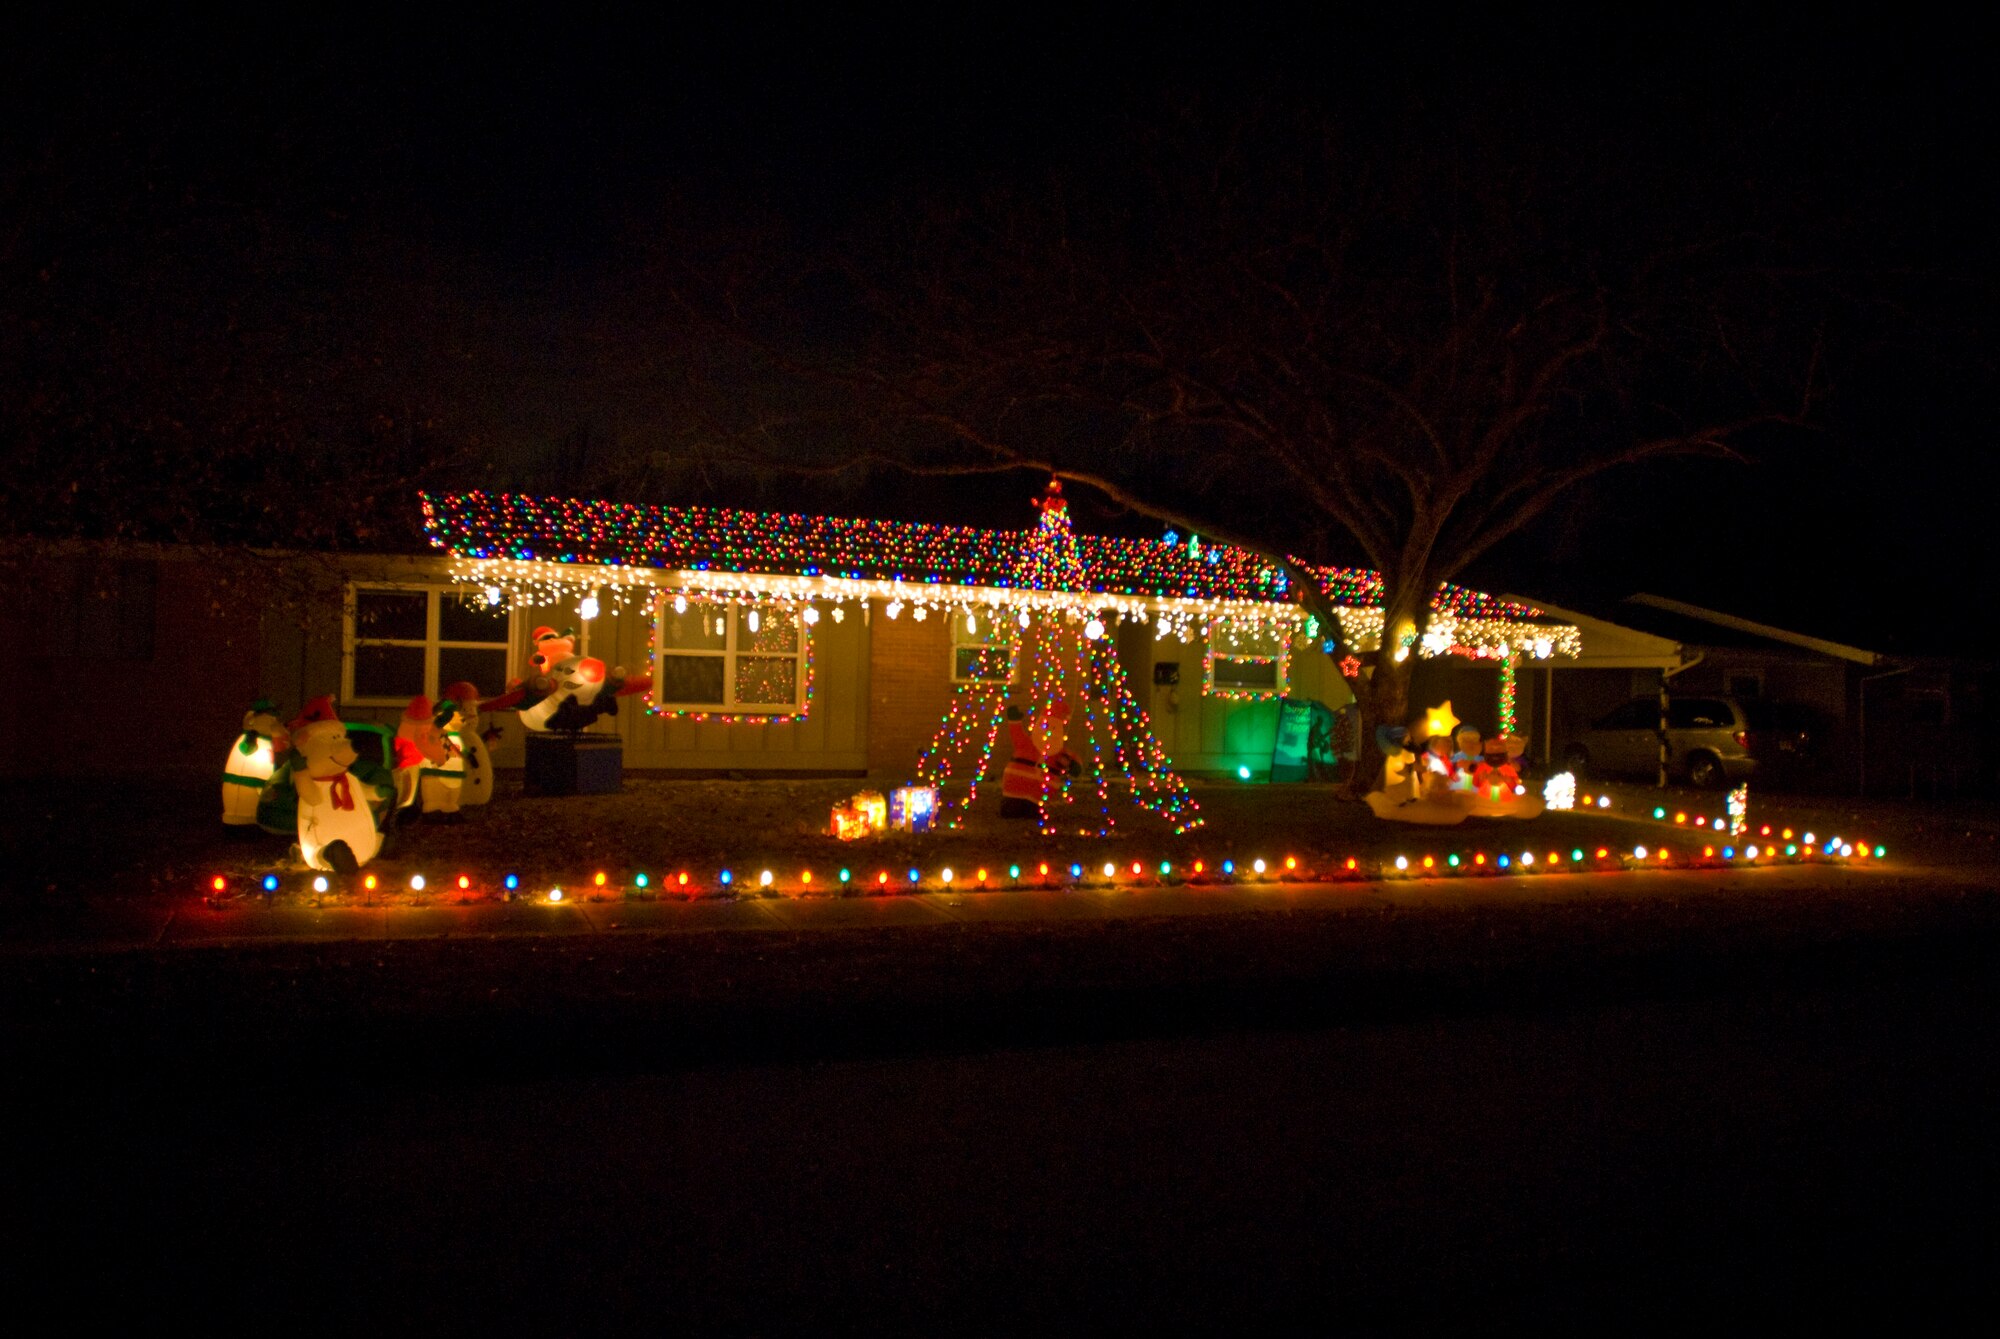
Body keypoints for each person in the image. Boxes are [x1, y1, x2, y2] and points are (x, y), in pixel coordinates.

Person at [1001, 703, 1042, 818]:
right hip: (1014, 791)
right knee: (1012, 809)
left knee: (1029, 809)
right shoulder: (1026, 744)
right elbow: (1017, 733)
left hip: (1032, 795)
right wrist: (1014, 720)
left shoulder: (1051, 751)